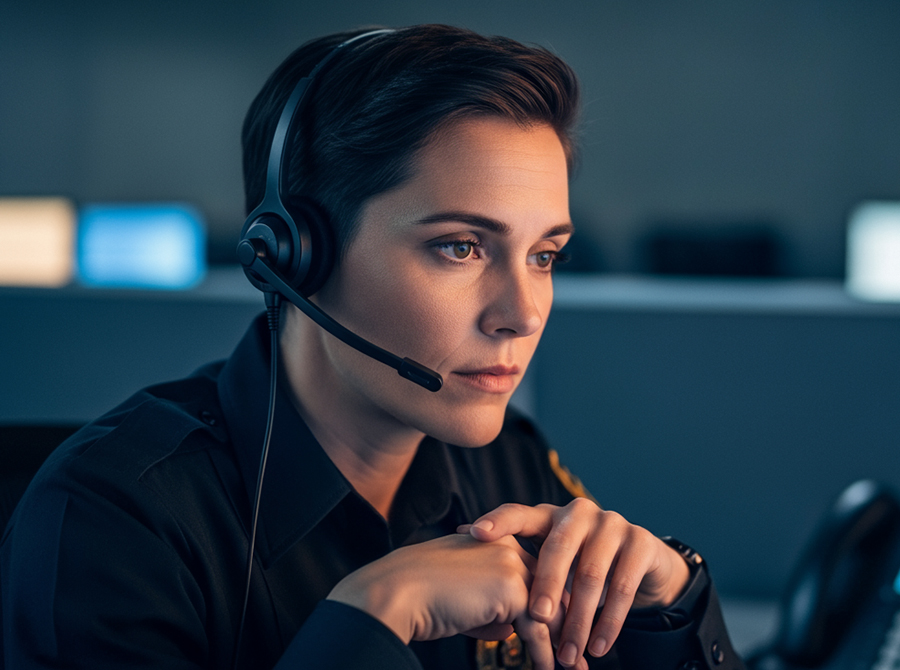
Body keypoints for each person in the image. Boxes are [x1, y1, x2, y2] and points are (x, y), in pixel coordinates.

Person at [0, 24, 745, 670]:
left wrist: (670, 609)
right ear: (296, 257)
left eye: (544, 255)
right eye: (460, 247)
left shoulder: (509, 462)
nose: (522, 314)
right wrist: (375, 616)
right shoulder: (118, 521)